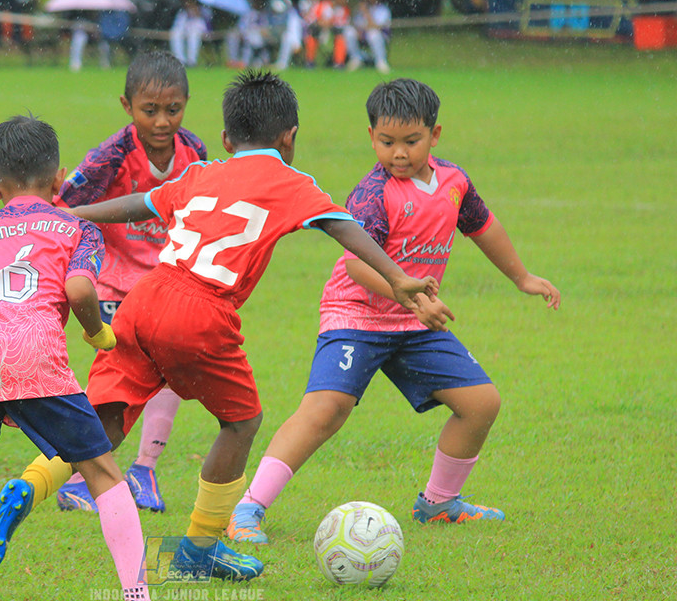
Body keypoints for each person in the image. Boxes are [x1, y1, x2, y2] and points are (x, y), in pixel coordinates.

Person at [0, 70, 439, 584]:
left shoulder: (202, 173)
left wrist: (72, 213)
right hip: (202, 310)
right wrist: (397, 277)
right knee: (241, 422)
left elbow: (137, 206)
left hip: (143, 298)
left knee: (103, 424)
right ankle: (199, 546)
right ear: (289, 137)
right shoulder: (291, 181)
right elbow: (339, 224)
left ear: (226, 140)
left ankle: (29, 486)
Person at [0, 116, 196, 601]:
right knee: (102, 473)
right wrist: (100, 336)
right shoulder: (76, 226)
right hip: (38, 359)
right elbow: (80, 291)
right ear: (59, 178)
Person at [226, 78, 561, 545]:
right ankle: (247, 510)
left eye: (411, 141)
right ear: (371, 138)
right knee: (326, 409)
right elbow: (357, 266)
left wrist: (522, 277)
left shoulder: (454, 183)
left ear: (435, 135)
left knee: (481, 403)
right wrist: (417, 298)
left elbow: (483, 226)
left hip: (413, 319)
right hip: (356, 315)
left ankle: (440, 502)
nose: (398, 153)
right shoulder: (372, 193)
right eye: (387, 143)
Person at [51, 51, 206, 514]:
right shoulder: (111, 156)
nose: (162, 121)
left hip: (170, 283)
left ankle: (144, 471)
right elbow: (66, 204)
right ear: (127, 105)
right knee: (120, 380)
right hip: (115, 287)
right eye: (150, 110)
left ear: (186, 104)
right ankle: (80, 478)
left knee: (173, 370)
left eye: (173, 109)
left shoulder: (195, 153)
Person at [343, 0, 391, 73]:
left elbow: (377, 26)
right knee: (349, 32)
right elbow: (355, 23)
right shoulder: (359, 9)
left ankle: (381, 61)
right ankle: (356, 58)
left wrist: (366, 13)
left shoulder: (382, 10)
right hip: (363, 34)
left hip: (379, 35)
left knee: (373, 34)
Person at [169, 0, 209, 68]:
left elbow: (206, 22)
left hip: (198, 31)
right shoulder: (182, 12)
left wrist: (197, 13)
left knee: (193, 36)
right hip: (184, 31)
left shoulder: (202, 9)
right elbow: (177, 25)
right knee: (175, 34)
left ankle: (191, 61)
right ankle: (180, 60)